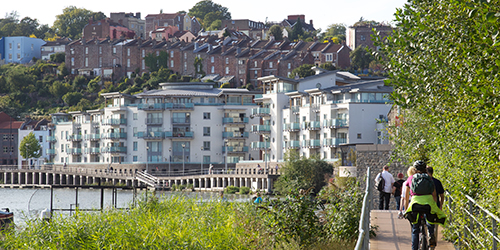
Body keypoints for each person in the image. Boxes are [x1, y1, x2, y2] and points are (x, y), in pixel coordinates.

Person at [404, 160, 446, 250]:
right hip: (428, 204)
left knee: (415, 229)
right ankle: (431, 235)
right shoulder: (429, 178)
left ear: (415, 169)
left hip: (415, 204)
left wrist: (406, 208)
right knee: (430, 221)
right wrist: (434, 206)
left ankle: (414, 248)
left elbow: (406, 196)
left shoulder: (411, 178)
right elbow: (434, 195)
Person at [427, 166, 445, 245]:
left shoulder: (425, 181)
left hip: (425, 203)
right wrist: (441, 205)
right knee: (434, 221)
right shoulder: (437, 182)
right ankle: (433, 236)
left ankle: (428, 234)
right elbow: (442, 195)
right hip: (435, 204)